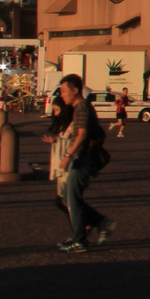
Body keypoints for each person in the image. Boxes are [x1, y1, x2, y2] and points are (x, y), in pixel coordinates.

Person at [50, 74, 113, 252]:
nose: (61, 95)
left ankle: (80, 239)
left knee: (72, 199)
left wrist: (68, 155)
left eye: (64, 91)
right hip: (83, 157)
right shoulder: (81, 107)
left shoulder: (82, 108)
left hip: (84, 158)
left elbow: (82, 135)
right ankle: (96, 225)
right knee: (70, 198)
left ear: (75, 90)